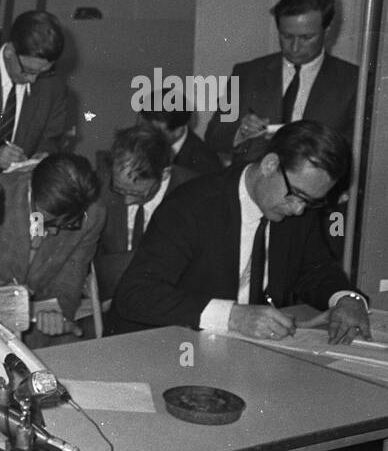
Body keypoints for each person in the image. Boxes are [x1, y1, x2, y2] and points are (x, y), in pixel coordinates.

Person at [112, 121, 369, 343]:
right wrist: (233, 316)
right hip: (178, 345)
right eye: (297, 196)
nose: (300, 209)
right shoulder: (191, 205)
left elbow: (316, 268)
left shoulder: (297, 201)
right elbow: (136, 293)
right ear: (270, 165)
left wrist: (346, 299)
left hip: (250, 348)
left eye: (311, 201)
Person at [203, 0, 358, 164]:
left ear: (327, 30)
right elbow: (214, 137)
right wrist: (242, 132)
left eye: (307, 37)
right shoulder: (246, 73)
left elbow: (359, 153)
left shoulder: (353, 81)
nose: (294, 47)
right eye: (286, 36)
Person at [0, 154, 105, 348]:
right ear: (32, 189)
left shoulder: (93, 215)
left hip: (36, 325)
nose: (53, 232)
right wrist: (6, 292)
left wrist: (57, 312)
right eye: (48, 221)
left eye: (68, 225)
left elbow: (71, 276)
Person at [93, 123, 195, 303]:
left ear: (164, 173)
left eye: (136, 193)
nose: (127, 202)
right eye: (119, 190)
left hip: (170, 301)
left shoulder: (194, 194)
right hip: (109, 300)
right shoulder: (98, 186)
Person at [0, 10, 73, 169]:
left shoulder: (54, 87)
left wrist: (44, 155)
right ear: (9, 51)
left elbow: (54, 139)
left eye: (43, 72)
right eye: (29, 71)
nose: (33, 80)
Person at [140, 108, 221, 177]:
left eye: (157, 131)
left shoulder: (206, 165)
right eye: (144, 126)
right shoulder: (140, 139)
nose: (146, 135)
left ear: (178, 130)